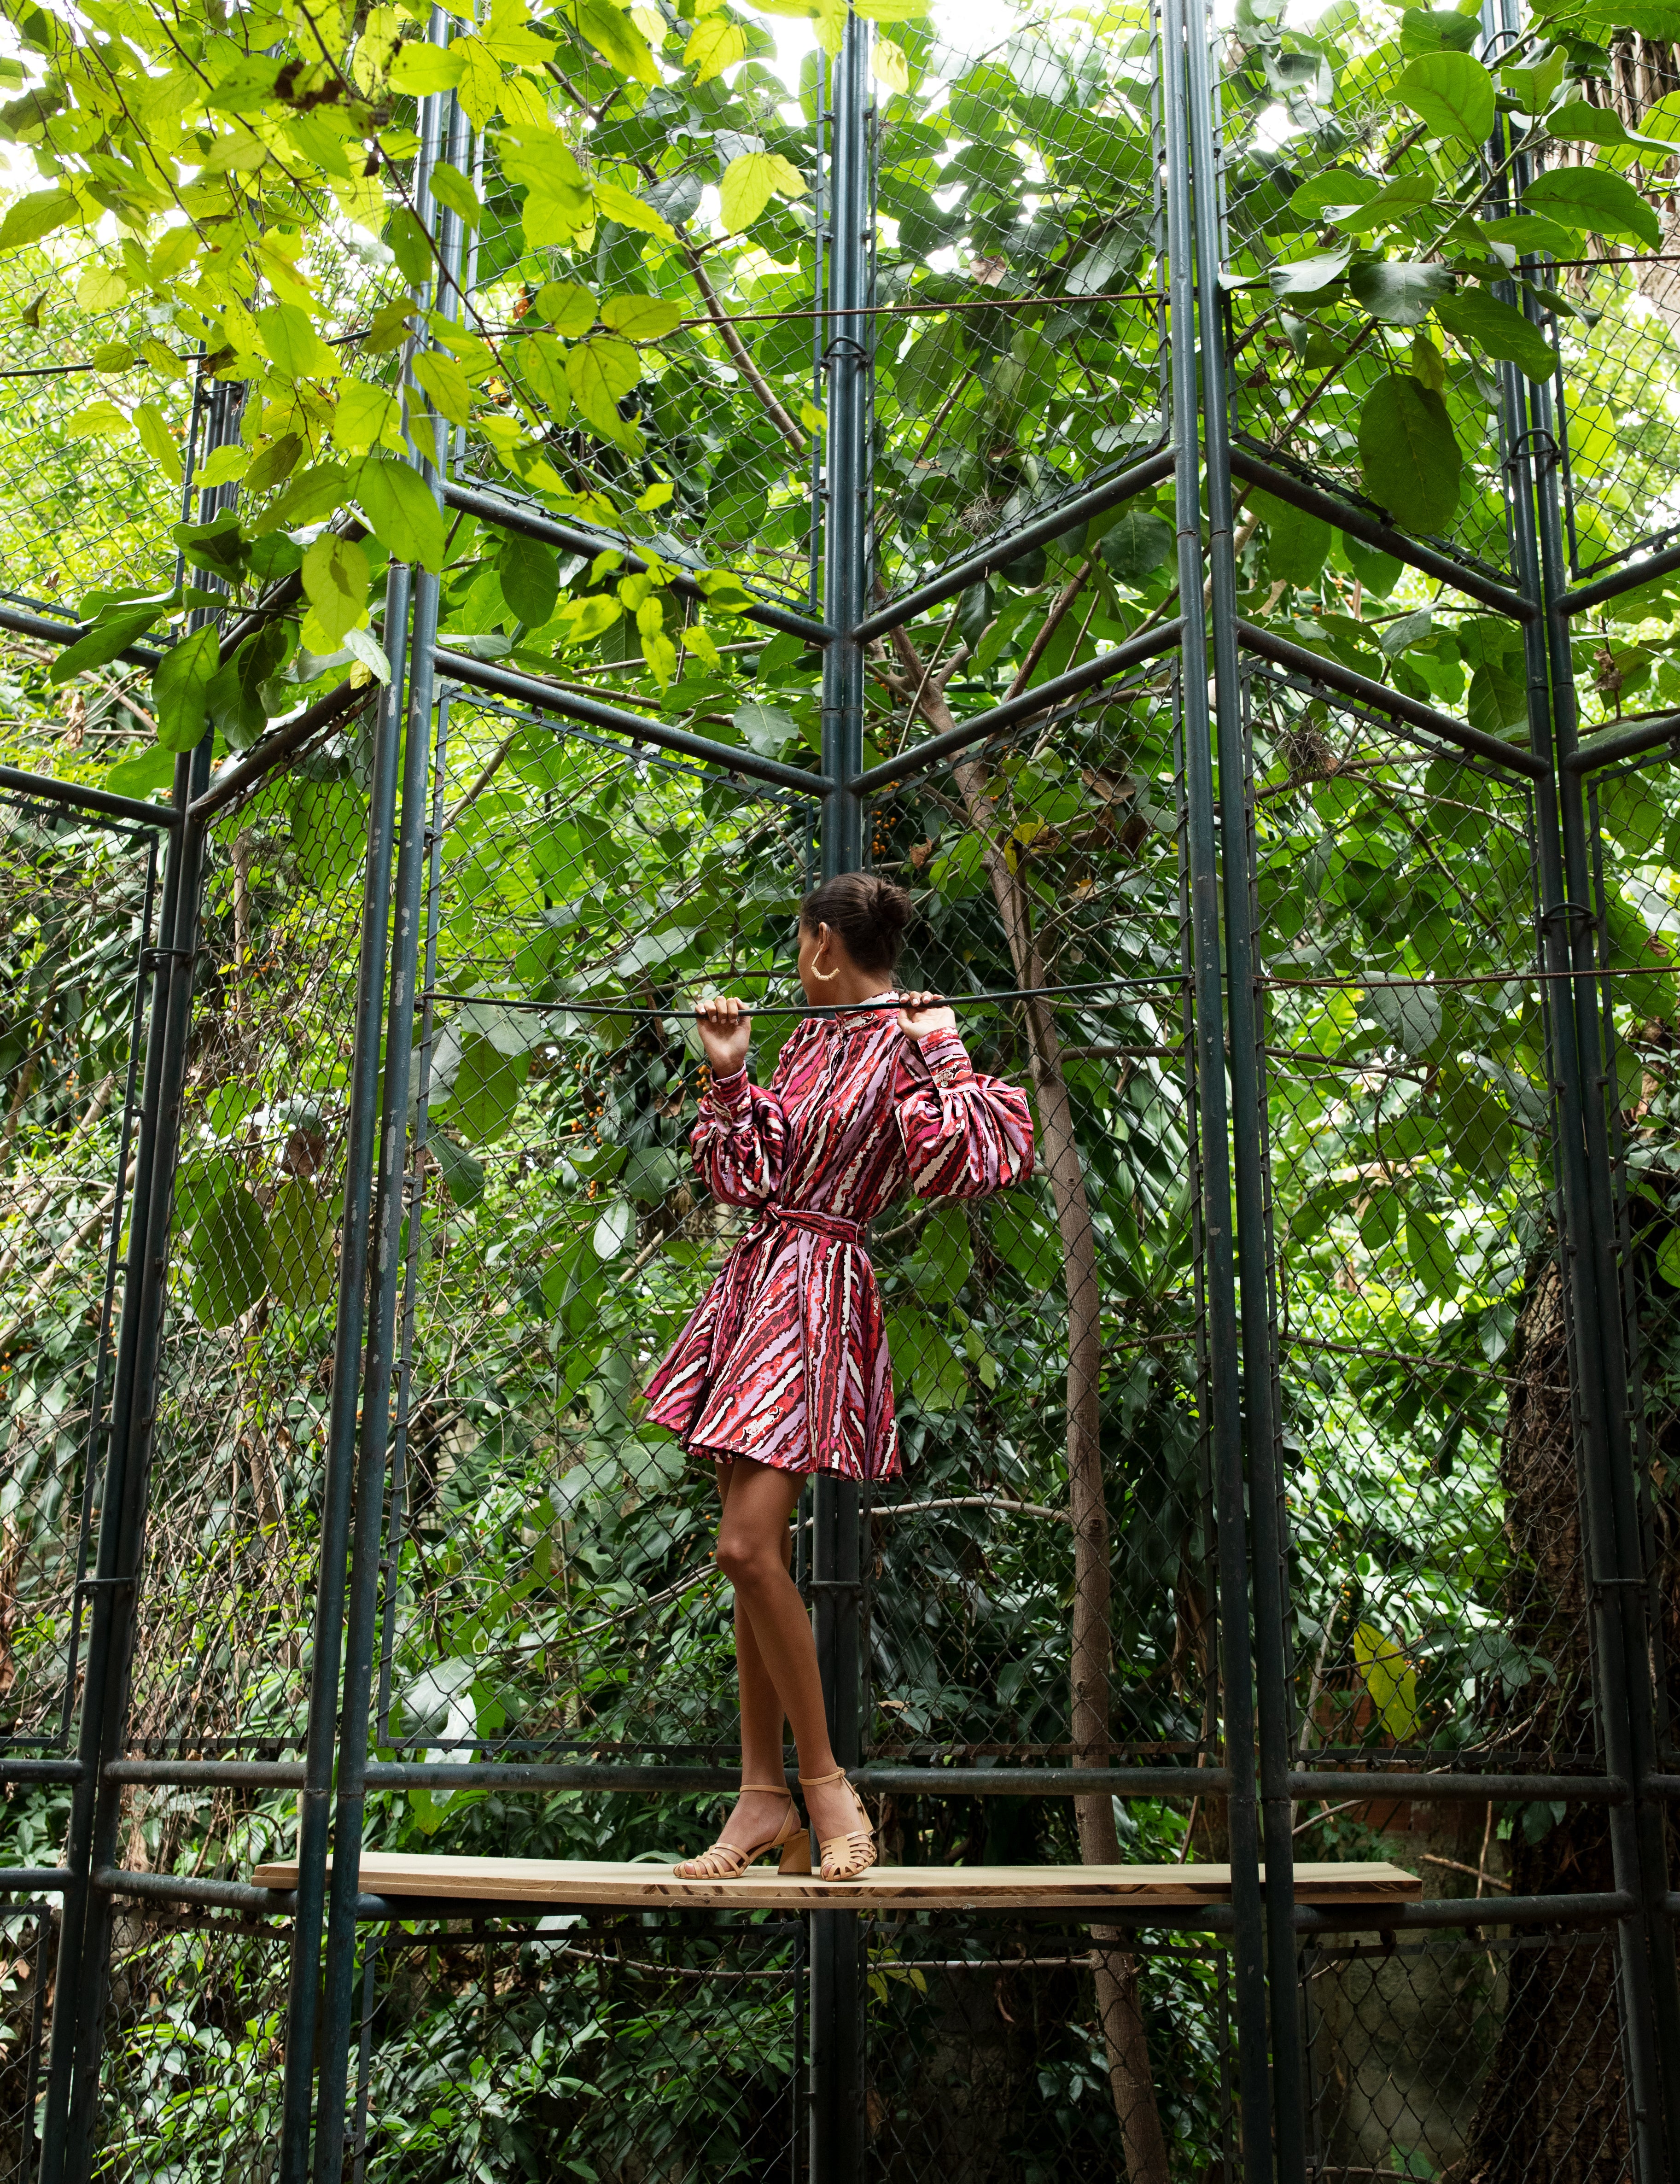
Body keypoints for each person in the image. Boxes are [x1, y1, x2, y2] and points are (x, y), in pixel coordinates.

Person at [642, 873, 1035, 1883]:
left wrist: (944, 1041)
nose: (793, 962)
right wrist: (731, 1074)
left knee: (744, 1544)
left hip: (818, 1289)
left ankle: (822, 1783)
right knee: (746, 1552)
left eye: (798, 942)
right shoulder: (812, 1041)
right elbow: (749, 1178)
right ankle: (760, 1795)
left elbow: (974, 1161)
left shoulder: (905, 1041)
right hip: (758, 1283)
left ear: (822, 945)